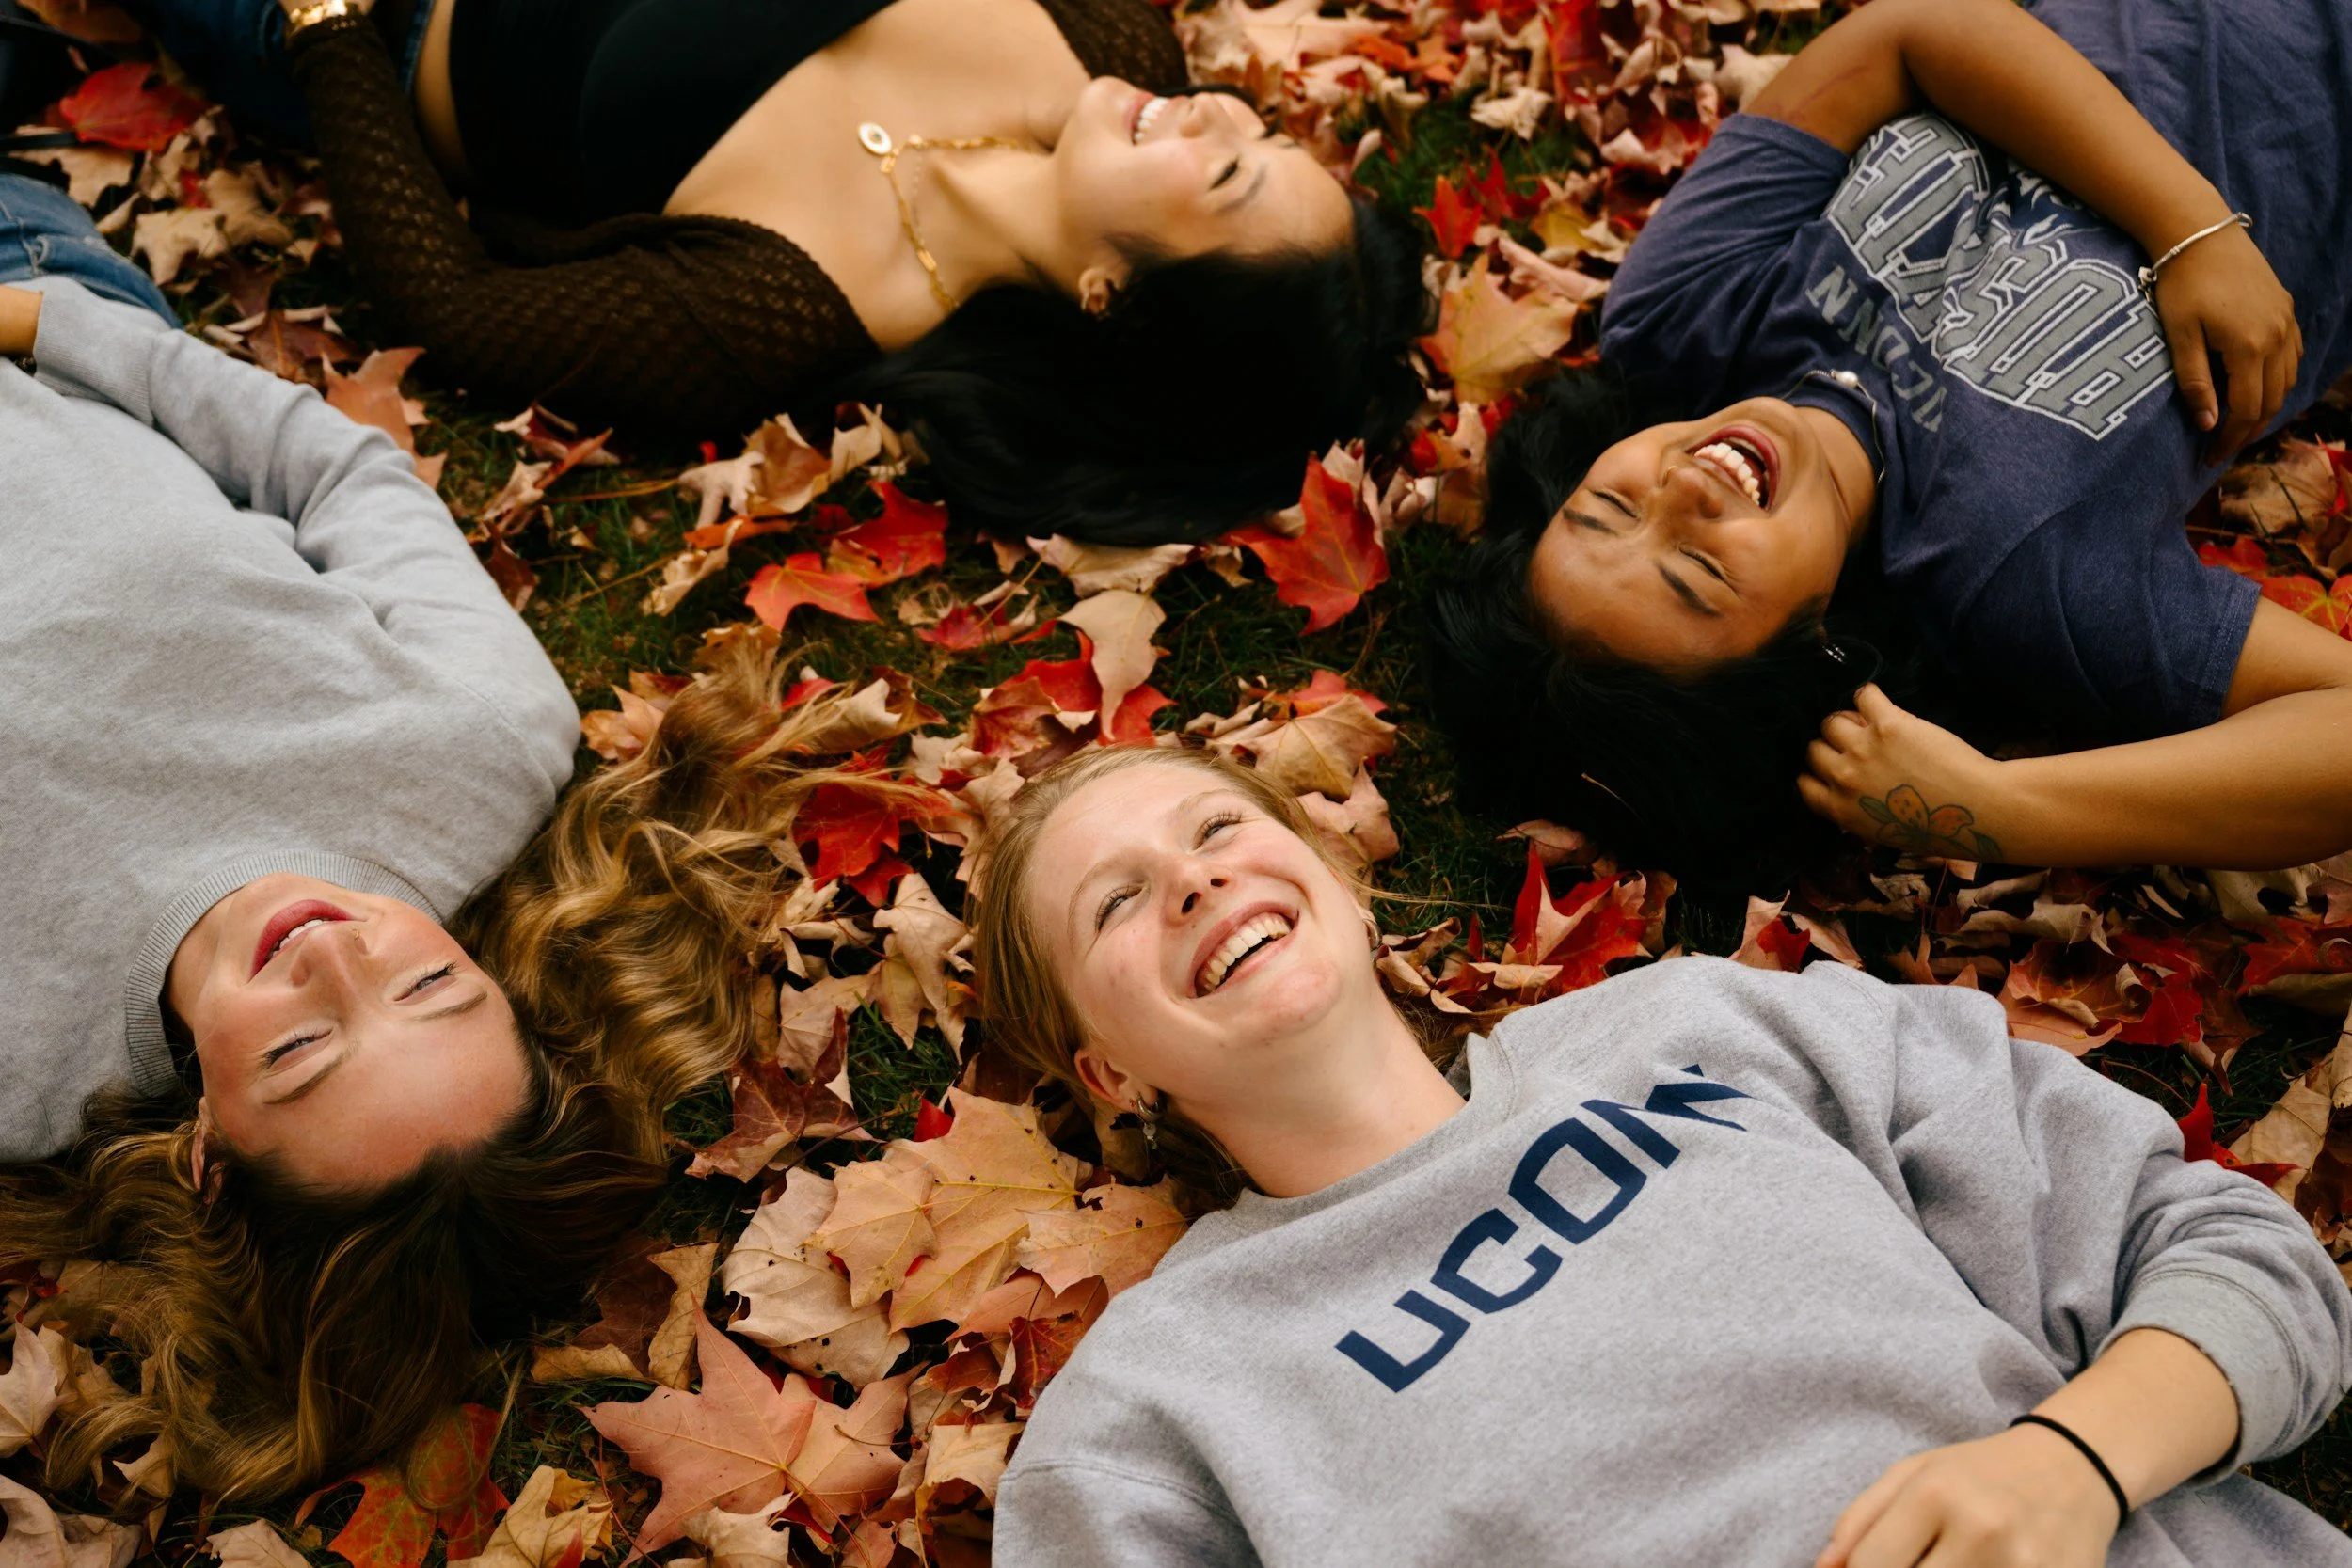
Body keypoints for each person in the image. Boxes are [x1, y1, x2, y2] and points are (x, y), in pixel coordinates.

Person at [0, 175, 890, 1498]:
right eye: (431, 983)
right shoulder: (478, 747)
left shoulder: (21, 1062)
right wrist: (32, 320)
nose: (334, 957)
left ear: (208, 1157)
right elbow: (329, 467)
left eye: (301, 1053)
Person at [969, 743, 2352, 1566]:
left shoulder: (1710, 1022)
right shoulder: (1156, 1407)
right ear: (1111, 1070)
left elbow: (2248, 1266)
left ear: (1337, 877)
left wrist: (2069, 1465)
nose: (1197, 880)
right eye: (1118, 903)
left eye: (1219, 828)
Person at [1424, 0, 2352, 875]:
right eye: (1699, 573)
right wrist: (2003, 807)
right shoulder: (2011, 565)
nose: (1681, 493)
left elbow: (1912, 31)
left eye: (1610, 504)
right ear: (1808, 651)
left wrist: (2186, 228)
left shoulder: (1682, 317)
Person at [133, 0, 1429, 545]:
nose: (1209, 112)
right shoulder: (1102, 35)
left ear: (1113, 294)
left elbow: (450, 310)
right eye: (1258, 131)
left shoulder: (780, 309)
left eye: (1228, 172)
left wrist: (326, 30)